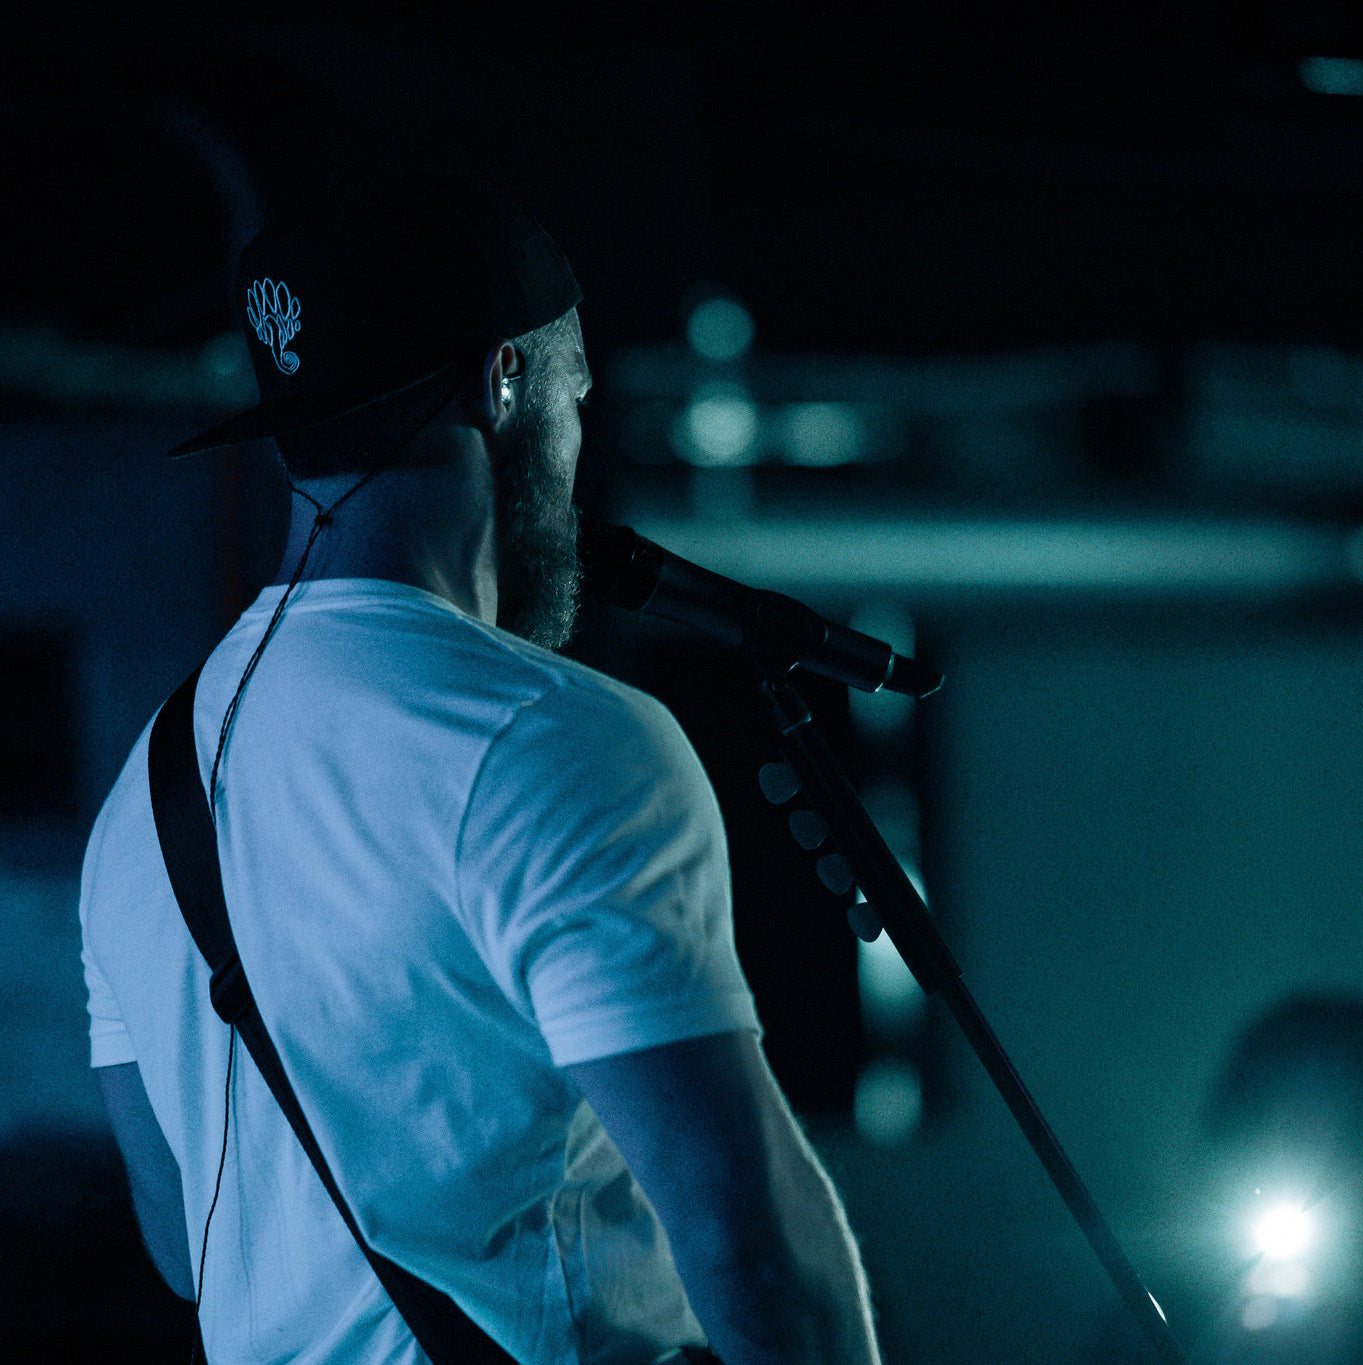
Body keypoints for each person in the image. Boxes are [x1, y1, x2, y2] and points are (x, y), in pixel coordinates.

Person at [78, 169, 881, 1365]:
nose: (575, 442)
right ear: (507, 380)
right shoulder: (550, 740)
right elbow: (755, 1255)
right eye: (575, 396)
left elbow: (183, 1242)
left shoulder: (140, 805)